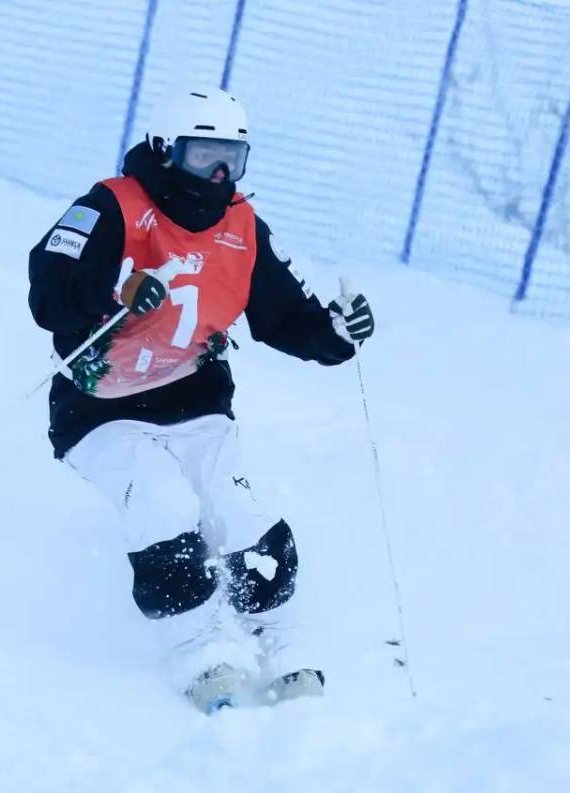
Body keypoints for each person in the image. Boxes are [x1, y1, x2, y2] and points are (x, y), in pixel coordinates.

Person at [27, 87, 375, 712]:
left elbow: (284, 313)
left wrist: (334, 335)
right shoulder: (111, 207)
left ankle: (281, 640)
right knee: (162, 503)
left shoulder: (242, 226)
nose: (218, 175)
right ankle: (201, 649)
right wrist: (114, 291)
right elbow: (49, 292)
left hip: (195, 401)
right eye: (203, 157)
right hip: (100, 409)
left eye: (231, 160)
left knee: (238, 512)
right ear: (166, 150)